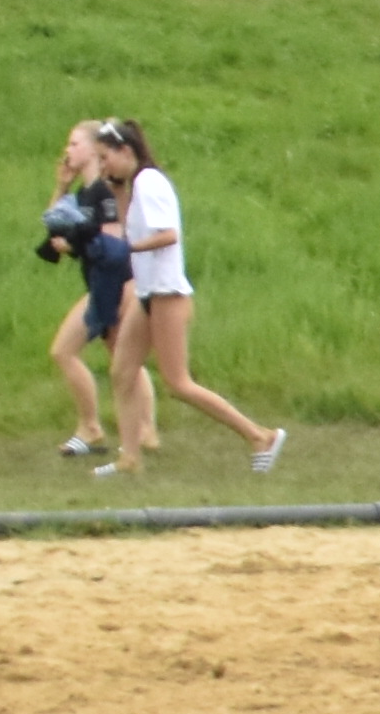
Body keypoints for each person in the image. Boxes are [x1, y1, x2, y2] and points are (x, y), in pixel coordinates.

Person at [89, 119, 287, 477]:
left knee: (178, 383)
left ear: (126, 151)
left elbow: (168, 235)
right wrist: (115, 192)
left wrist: (129, 249)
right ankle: (129, 458)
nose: (103, 166)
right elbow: (129, 226)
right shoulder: (135, 186)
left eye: (106, 157)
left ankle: (261, 436)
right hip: (148, 293)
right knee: (122, 371)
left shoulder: (150, 182)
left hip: (167, 294)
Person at [38, 119, 147, 458]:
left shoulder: (104, 193)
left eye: (74, 144)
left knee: (65, 351)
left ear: (92, 149)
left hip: (115, 286)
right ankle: (141, 431)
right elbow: (54, 224)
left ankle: (96, 428)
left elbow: (113, 247)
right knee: (122, 359)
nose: (67, 150)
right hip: (100, 285)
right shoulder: (84, 193)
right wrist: (61, 186)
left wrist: (76, 246)